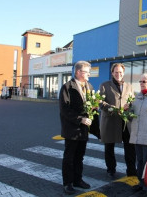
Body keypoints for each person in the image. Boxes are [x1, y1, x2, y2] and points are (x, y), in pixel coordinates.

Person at [59, 61, 93, 195]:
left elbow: (90, 105)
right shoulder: (67, 87)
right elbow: (64, 110)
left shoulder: (88, 86)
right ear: (78, 72)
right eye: (87, 71)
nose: (89, 74)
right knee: (69, 157)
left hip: (84, 130)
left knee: (80, 157)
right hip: (72, 129)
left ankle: (78, 179)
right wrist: (81, 119)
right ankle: (67, 183)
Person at [99, 63, 137, 177]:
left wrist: (129, 106)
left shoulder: (129, 86)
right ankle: (111, 169)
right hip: (110, 121)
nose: (118, 74)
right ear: (112, 73)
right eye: (116, 72)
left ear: (123, 73)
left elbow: (133, 101)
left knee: (130, 147)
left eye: (120, 72)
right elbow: (101, 102)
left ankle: (131, 170)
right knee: (109, 147)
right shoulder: (104, 85)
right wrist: (114, 109)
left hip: (125, 122)